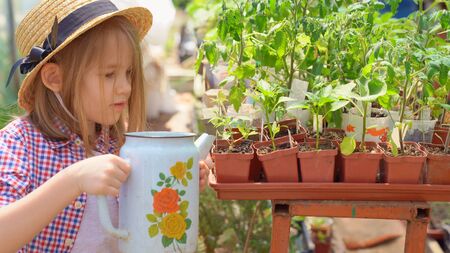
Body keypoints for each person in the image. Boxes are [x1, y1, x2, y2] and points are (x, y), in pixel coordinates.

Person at [0, 0, 210, 252]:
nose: (126, 87)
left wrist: (176, 185)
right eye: (109, 75)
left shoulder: (121, 144)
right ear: (55, 78)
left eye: (129, 73)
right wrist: (72, 180)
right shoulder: (20, 143)